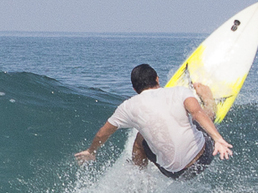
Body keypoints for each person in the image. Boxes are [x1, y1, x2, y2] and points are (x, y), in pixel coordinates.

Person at [74, 63, 233, 178]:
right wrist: (218, 139)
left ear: (135, 89)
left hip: (174, 173)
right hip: (202, 160)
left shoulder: (128, 106)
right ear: (157, 79)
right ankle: (209, 99)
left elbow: (103, 133)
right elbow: (198, 113)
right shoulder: (179, 92)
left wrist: (91, 151)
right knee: (204, 114)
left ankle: (139, 179)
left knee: (139, 139)